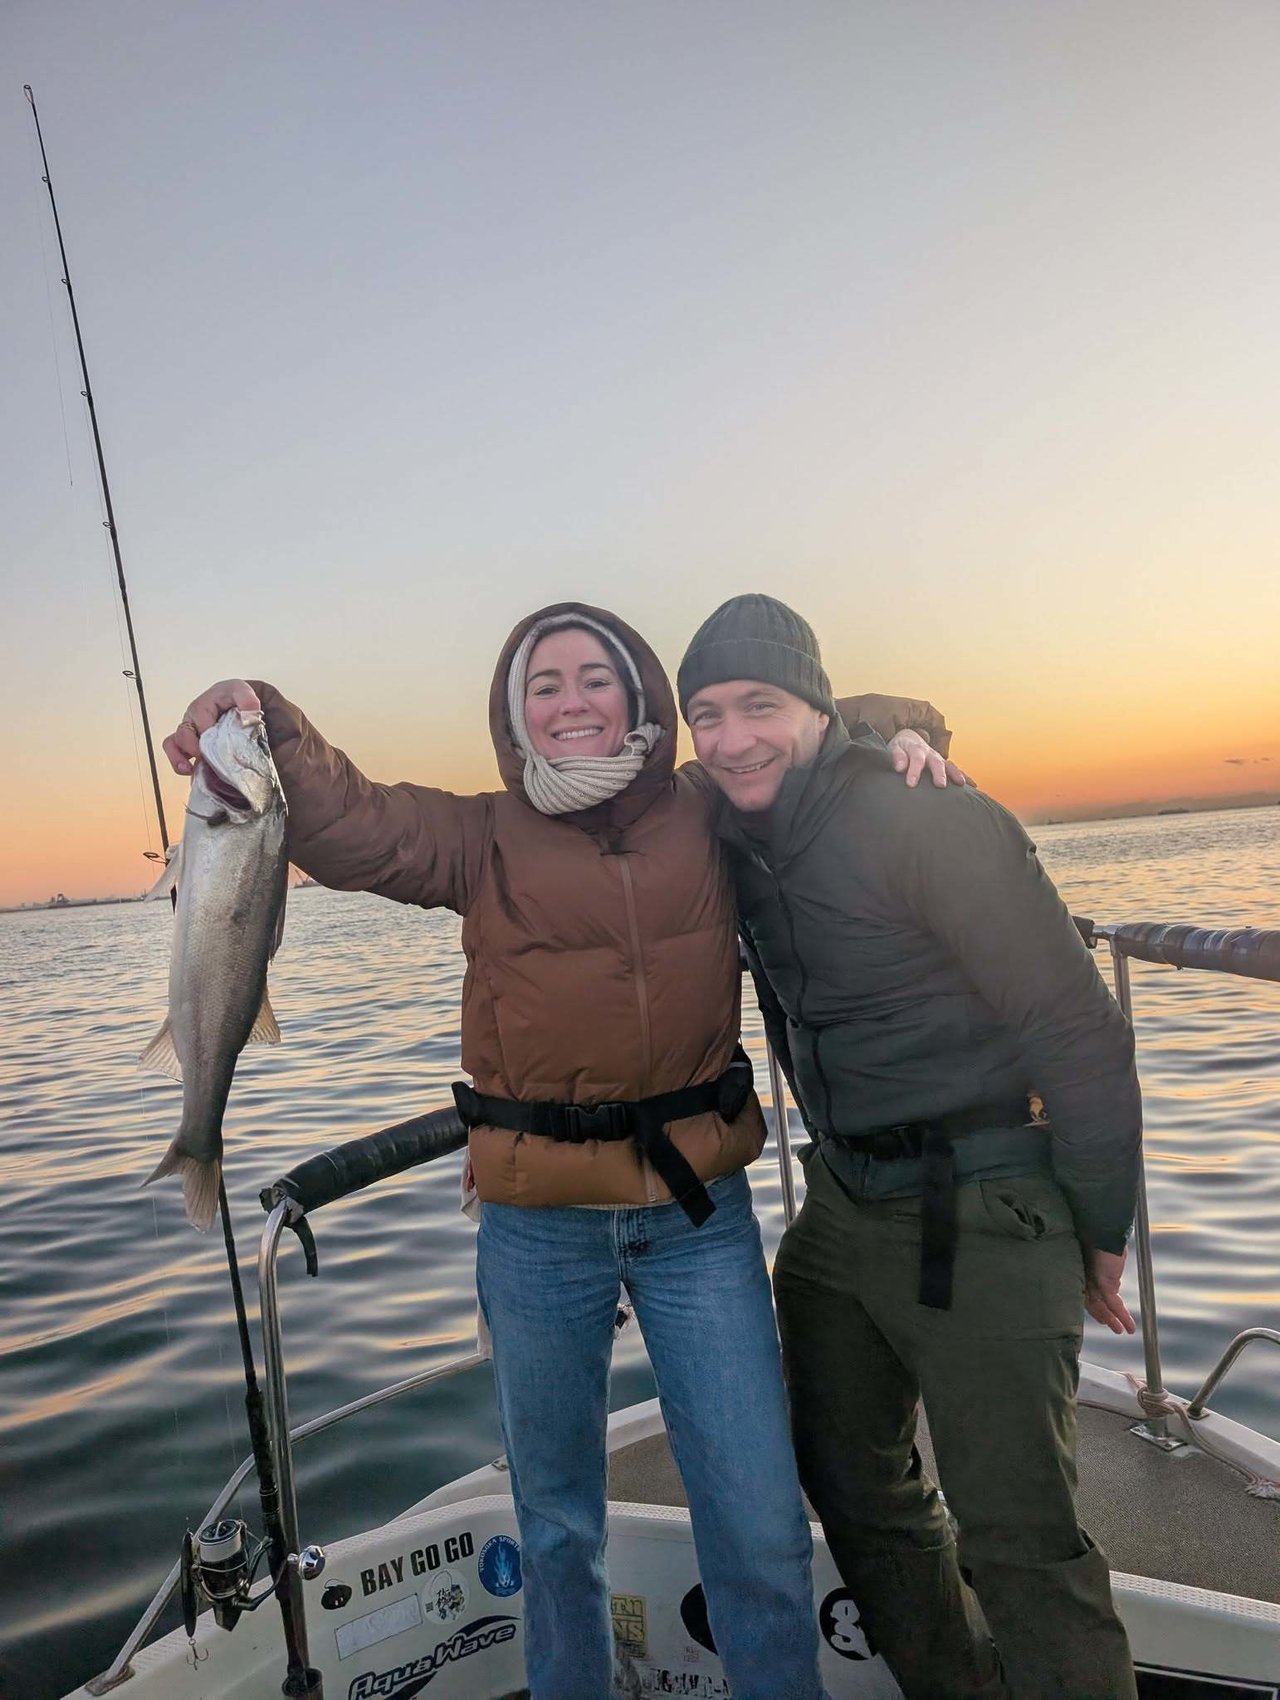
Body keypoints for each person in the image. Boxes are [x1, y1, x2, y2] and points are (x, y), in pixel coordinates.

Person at [162, 602, 955, 1700]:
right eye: (545, 684)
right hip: (536, 1230)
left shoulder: (704, 807)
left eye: (595, 678)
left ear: (639, 698)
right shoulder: (479, 834)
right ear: (514, 713)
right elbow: (350, 822)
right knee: (556, 1528)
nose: (571, 701)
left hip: (696, 1220)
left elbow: (807, 734)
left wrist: (906, 737)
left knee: (760, 1520)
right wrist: (265, 720)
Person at [678, 594, 1143, 1700]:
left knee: (1020, 1537)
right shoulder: (733, 828)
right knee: (849, 1483)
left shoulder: (930, 817)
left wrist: (1098, 1223)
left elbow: (1078, 1029)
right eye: (707, 714)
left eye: (759, 705)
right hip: (840, 1206)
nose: (732, 737)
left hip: (984, 1198)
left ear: (814, 708)